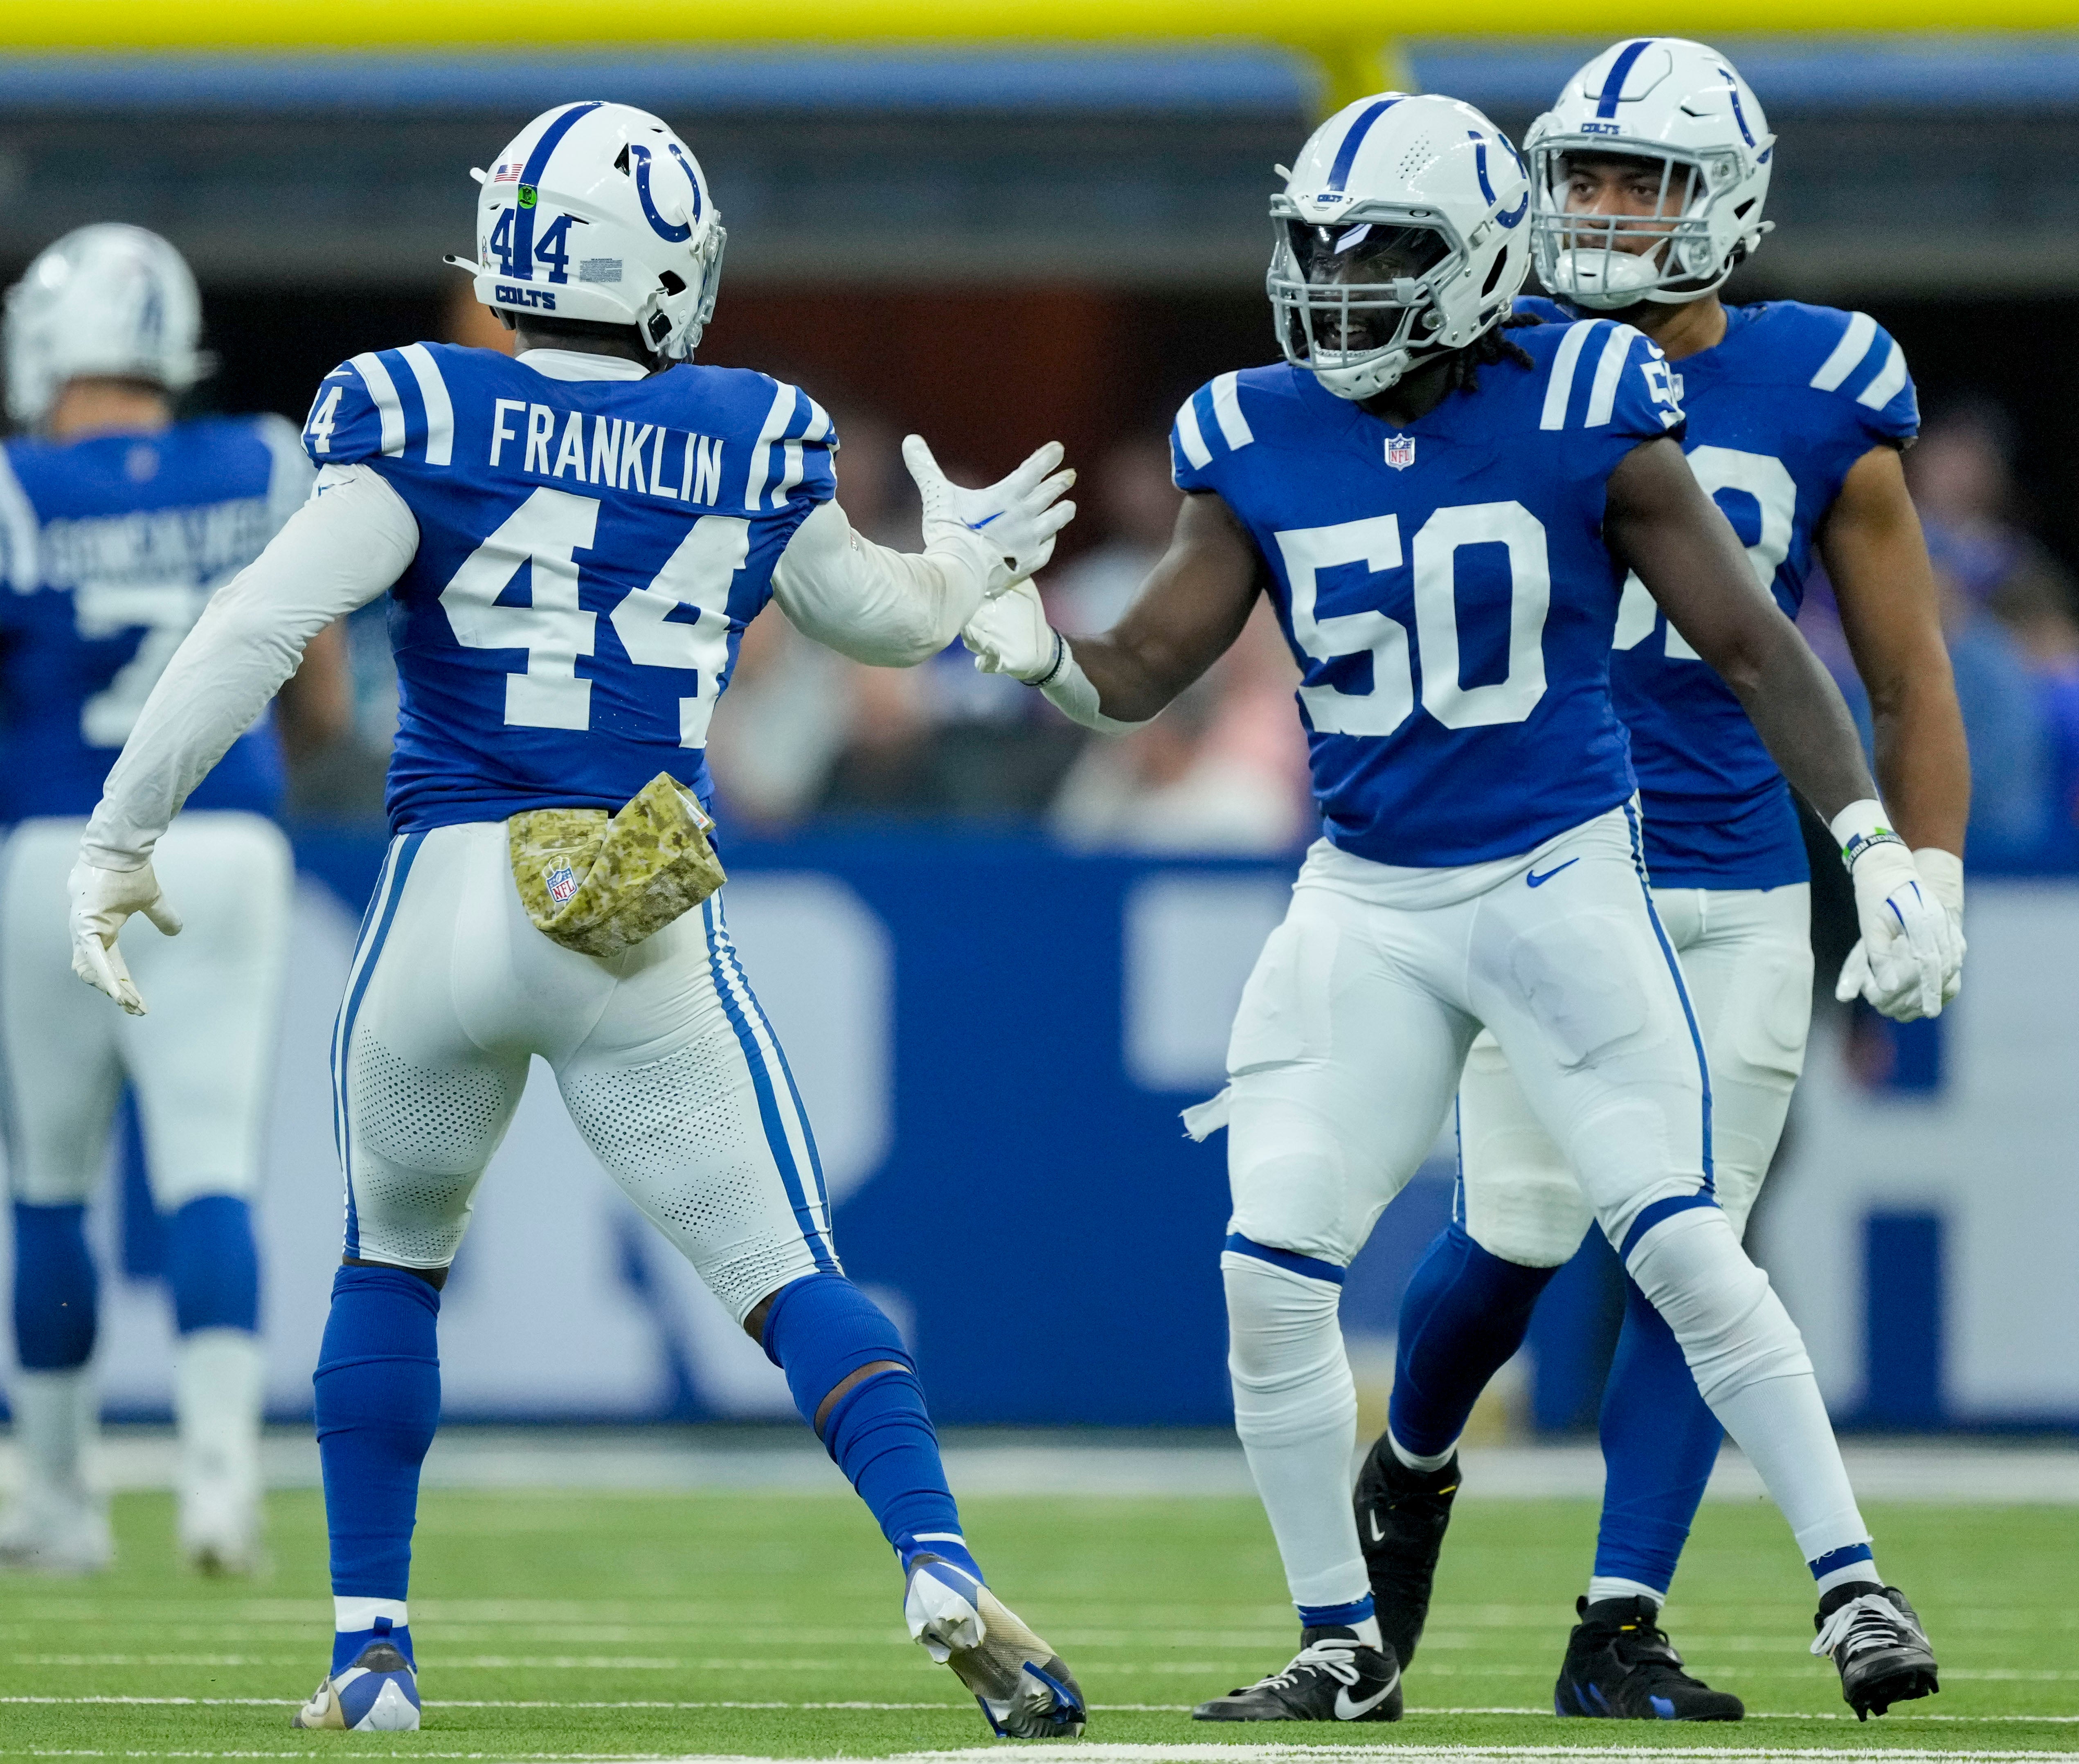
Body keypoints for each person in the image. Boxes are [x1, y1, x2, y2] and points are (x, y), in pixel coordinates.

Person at [64, 103, 1084, 1740]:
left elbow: (256, 627)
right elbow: (887, 623)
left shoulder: (418, 405)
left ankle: (372, 1648)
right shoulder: (750, 432)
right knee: (787, 1273)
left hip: (442, 889)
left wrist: (119, 837)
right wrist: (964, 561)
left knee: (388, 1264)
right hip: (625, 900)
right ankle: (932, 1552)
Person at [963, 90, 1958, 1726]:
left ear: (1473, 260)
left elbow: (1759, 645)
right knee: (1271, 1266)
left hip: (1563, 877)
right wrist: (1033, 652)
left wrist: (1873, 844)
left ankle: (1845, 1579)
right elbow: (1141, 665)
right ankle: (1343, 1639)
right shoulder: (1256, 427)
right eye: (1321, 253)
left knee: (1680, 1237)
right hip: (1363, 899)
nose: (1342, 288)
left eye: (1385, 256)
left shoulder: (1586, 393)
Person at [1334, 40, 1975, 1724]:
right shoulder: (1482, 353)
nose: (1604, 213)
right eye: (1586, 178)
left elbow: (1904, 677)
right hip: (1539, 873)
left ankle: (1616, 1619)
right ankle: (1407, 1457)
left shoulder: (1823, 379)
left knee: (1706, 1255)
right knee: (1514, 1240)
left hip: (1734, 884)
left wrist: (1925, 871)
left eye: (1644, 182)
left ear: (1729, 203)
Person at [0, 224, 350, 1577]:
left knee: (49, 1185)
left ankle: (61, 1500)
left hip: (54, 845)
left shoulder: (22, 488)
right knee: (212, 1171)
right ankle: (218, 1492)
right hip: (223, 839)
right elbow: (318, 691)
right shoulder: (265, 461)